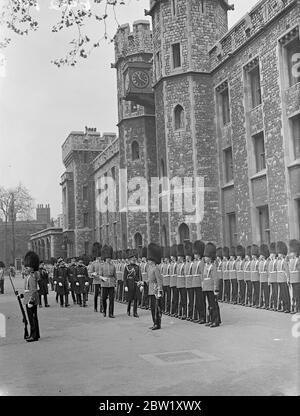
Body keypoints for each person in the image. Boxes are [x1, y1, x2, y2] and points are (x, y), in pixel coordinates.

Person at [22, 251, 40, 342]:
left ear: (32, 267)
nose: (25, 268)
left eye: (27, 267)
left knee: (32, 318)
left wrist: (31, 301)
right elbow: (27, 289)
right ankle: (36, 334)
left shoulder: (32, 277)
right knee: (32, 317)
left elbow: (33, 290)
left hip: (31, 300)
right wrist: (22, 296)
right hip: (28, 298)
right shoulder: (28, 276)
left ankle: (34, 335)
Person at [202, 243, 221, 328]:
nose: (205, 258)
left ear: (210, 257)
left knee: (213, 305)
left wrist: (216, 289)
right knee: (210, 305)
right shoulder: (206, 266)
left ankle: (216, 320)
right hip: (207, 288)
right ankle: (211, 320)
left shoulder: (213, 267)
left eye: (207, 257)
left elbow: (215, 279)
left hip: (211, 288)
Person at [147, 243, 163, 330]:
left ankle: (157, 324)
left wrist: (160, 291)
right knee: (152, 308)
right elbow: (149, 280)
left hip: (156, 291)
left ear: (152, 260)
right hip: (151, 290)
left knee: (157, 308)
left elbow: (159, 280)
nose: (148, 261)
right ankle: (154, 322)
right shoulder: (150, 269)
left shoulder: (156, 269)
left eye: (149, 260)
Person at [99, 245, 116, 318]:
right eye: (107, 258)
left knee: (111, 299)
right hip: (104, 284)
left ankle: (111, 313)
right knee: (103, 298)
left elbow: (115, 275)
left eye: (109, 258)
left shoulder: (113, 266)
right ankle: (104, 311)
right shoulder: (102, 266)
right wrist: (103, 278)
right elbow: (100, 275)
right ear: (105, 258)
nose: (109, 259)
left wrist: (115, 284)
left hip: (111, 284)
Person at [124, 249, 142, 318]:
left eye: (134, 259)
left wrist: (141, 285)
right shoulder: (127, 267)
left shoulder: (138, 267)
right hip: (129, 284)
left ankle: (135, 312)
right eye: (132, 259)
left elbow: (140, 277)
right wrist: (125, 285)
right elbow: (125, 277)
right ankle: (128, 310)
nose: (133, 260)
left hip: (136, 284)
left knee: (136, 299)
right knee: (130, 298)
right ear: (130, 259)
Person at [191, 241, 206, 324]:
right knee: (197, 301)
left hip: (200, 283)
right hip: (195, 283)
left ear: (199, 254)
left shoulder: (202, 262)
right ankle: (199, 316)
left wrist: (203, 283)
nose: (194, 255)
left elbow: (202, 273)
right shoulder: (195, 262)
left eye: (196, 253)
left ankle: (203, 317)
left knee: (201, 301)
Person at [277, 241, 290, 313]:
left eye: (279, 253)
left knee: (285, 294)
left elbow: (287, 270)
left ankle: (287, 307)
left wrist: (288, 278)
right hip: (280, 279)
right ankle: (284, 307)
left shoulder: (284, 261)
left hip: (284, 279)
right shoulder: (278, 261)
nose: (278, 254)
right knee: (282, 294)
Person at [288, 239, 300, 314]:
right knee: (294, 295)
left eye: (293, 251)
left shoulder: (298, 260)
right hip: (293, 279)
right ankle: (295, 308)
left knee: (298, 295)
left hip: (297, 279)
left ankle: (298, 309)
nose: (291, 253)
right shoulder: (291, 260)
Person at [184, 241, 194, 321]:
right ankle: (189, 314)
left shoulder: (192, 264)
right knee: (188, 300)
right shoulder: (185, 264)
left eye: (187, 255)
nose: (186, 257)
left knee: (191, 300)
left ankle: (192, 315)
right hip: (186, 283)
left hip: (191, 284)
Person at [177, 244, 187, 320]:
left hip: (184, 284)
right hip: (179, 284)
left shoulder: (184, 265)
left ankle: (185, 313)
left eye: (179, 256)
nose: (178, 258)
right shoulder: (179, 265)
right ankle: (180, 312)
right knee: (181, 299)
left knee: (184, 299)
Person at [259, 244, 270, 309]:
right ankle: (262, 303)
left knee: (266, 292)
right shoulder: (260, 262)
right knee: (262, 293)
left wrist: (268, 278)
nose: (260, 256)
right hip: (261, 279)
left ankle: (267, 304)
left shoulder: (267, 262)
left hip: (265, 278)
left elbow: (268, 271)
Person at [161, 247, 171, 315]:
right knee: (163, 297)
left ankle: (168, 309)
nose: (165, 259)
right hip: (164, 282)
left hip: (169, 282)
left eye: (166, 258)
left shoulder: (170, 265)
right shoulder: (162, 265)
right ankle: (164, 309)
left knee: (169, 297)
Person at [170, 244, 179, 317]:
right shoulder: (171, 264)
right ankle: (173, 310)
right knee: (173, 298)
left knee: (176, 298)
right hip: (172, 282)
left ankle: (176, 311)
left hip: (177, 282)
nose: (171, 257)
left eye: (172, 256)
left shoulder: (177, 264)